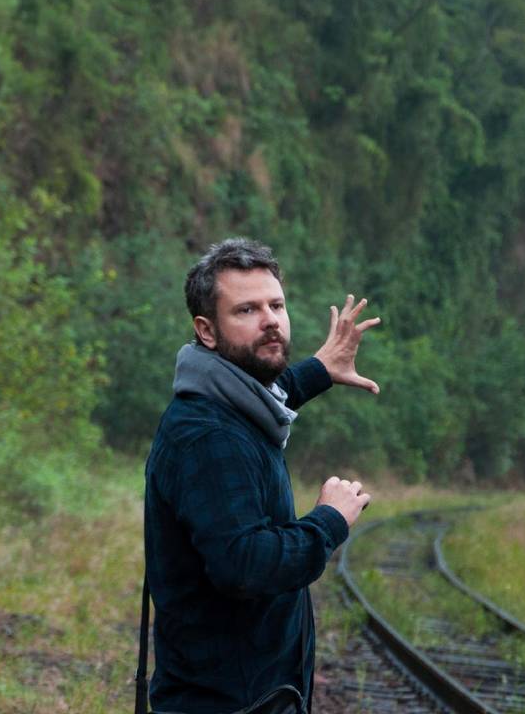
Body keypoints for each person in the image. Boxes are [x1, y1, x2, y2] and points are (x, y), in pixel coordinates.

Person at [143, 237, 379, 714]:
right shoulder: (208, 438)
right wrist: (328, 521)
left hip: (253, 692)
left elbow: (267, 396)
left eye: (276, 304)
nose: (271, 319)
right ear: (207, 331)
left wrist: (320, 369)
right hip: (228, 701)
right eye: (246, 310)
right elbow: (246, 565)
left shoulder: (230, 403)